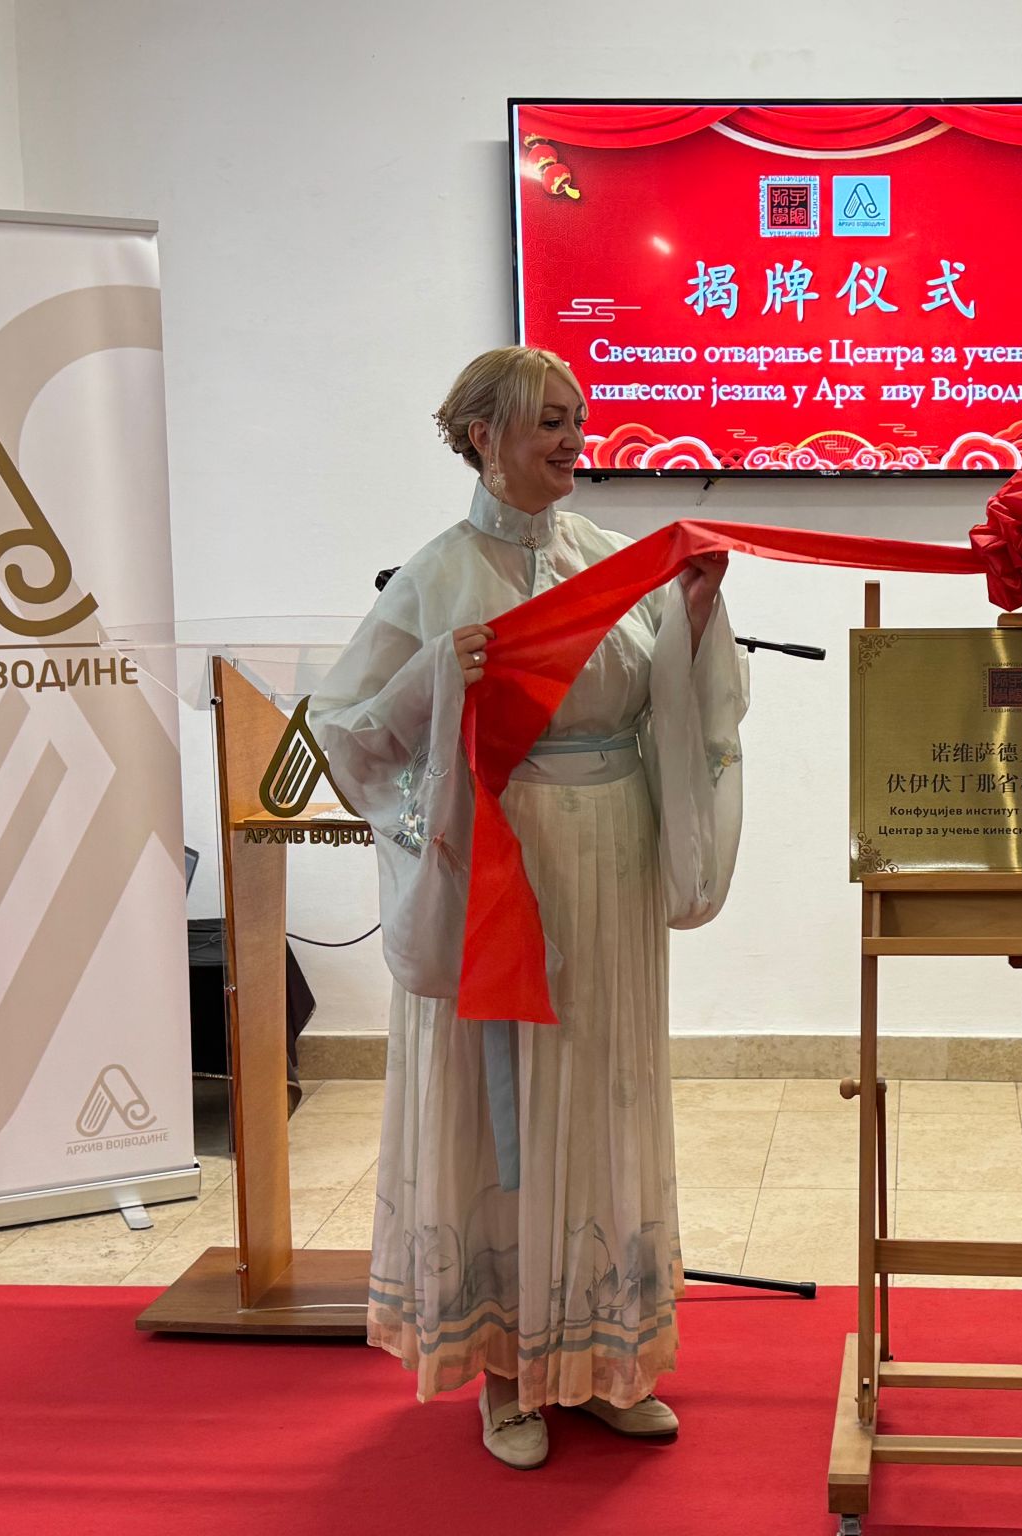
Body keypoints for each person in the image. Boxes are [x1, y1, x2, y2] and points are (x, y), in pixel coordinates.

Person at [308, 346, 747, 1471]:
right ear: (481, 437)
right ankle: (506, 1370)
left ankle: (601, 1358)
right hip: (497, 868)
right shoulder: (436, 574)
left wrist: (696, 615)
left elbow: (668, 697)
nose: (570, 438)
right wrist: (435, 676)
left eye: (575, 418)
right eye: (547, 420)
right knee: (504, 1106)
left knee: (602, 1091)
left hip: (611, 860)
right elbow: (346, 728)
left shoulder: (605, 558)